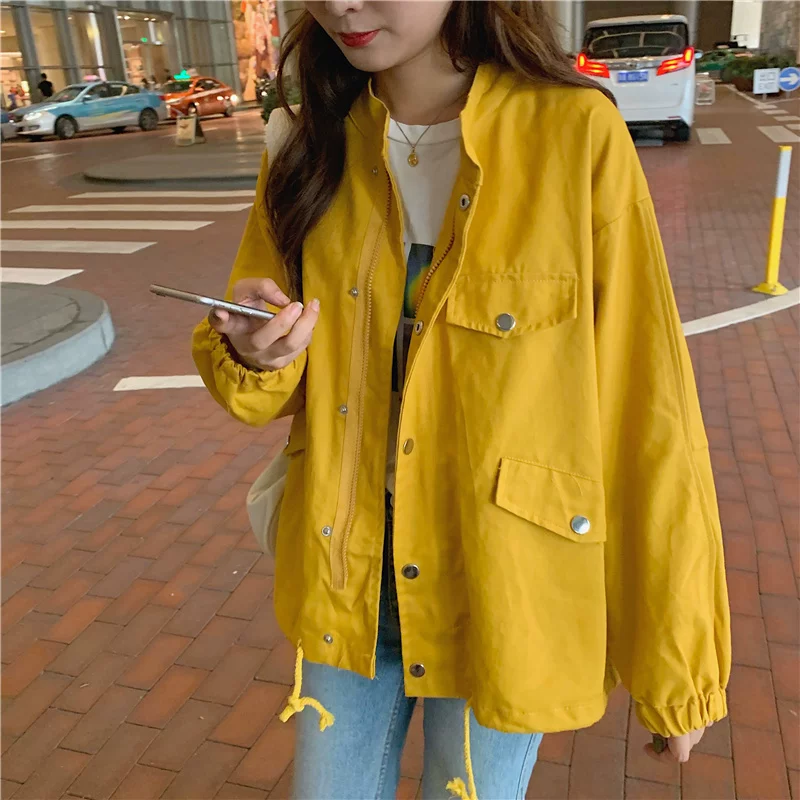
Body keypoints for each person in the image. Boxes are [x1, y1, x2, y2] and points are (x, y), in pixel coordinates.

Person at [192, 2, 731, 798]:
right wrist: (255, 351)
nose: (340, 4)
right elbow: (258, 379)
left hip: (503, 582)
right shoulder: (310, 141)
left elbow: (647, 406)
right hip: (348, 571)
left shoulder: (572, 133)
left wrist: (678, 664)